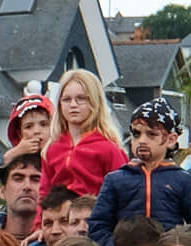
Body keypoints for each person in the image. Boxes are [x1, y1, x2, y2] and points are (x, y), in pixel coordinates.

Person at [87, 102, 191, 246]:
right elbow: (98, 224)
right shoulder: (115, 180)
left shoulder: (182, 180)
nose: (142, 140)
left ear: (171, 139)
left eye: (151, 134)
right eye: (136, 134)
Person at [40, 69, 126, 199]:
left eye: (81, 98)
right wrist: (41, 219)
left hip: (94, 215)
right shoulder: (52, 149)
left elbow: (123, 193)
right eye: (67, 99)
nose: (73, 105)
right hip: (59, 217)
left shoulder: (109, 149)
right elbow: (44, 195)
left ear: (94, 102)